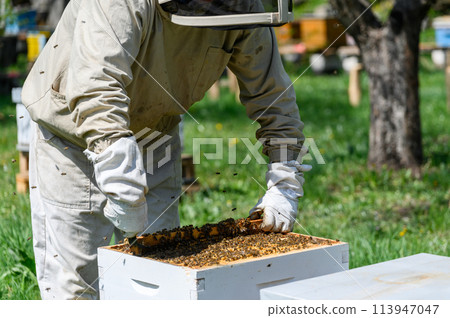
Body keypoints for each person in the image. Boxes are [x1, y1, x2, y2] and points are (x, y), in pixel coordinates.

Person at [22, 0, 309, 300]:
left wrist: (284, 182)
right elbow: (97, 88)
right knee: (80, 287)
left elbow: (274, 97)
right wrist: (120, 175)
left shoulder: (242, 5)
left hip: (156, 135)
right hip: (74, 137)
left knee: (160, 278)